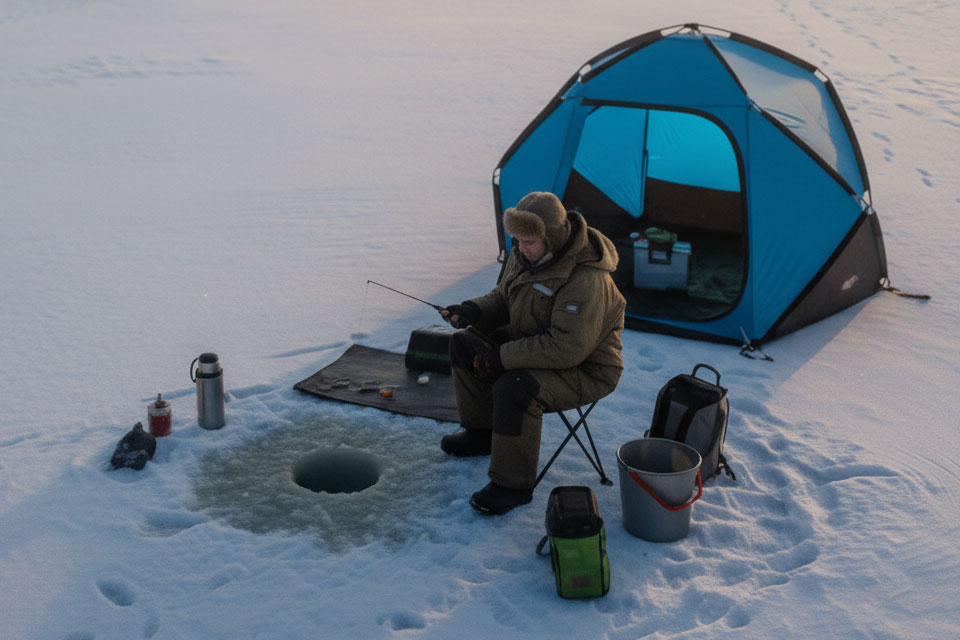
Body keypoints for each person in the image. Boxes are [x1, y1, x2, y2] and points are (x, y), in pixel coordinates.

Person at [440, 191, 626, 515]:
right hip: (532, 340)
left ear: (551, 237)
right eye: (518, 239)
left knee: (515, 386)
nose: (521, 247)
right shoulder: (525, 254)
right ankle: (481, 432)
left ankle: (512, 485)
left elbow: (565, 347)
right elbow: (503, 297)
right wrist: (472, 311)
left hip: (585, 368)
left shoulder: (586, 278)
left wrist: (501, 357)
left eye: (528, 241)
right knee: (464, 344)